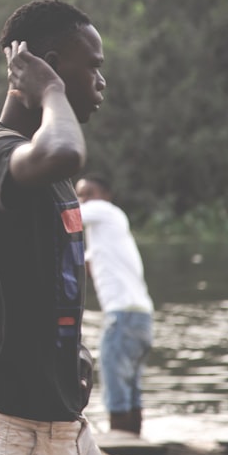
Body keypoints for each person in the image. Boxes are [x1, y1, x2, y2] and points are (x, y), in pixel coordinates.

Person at [0, 0, 127, 455]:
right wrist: (51, 90)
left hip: (62, 424)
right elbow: (65, 153)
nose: (101, 83)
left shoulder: (43, 167)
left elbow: (46, 271)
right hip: (11, 424)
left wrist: (71, 349)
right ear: (49, 62)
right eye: (93, 67)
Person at [75, 175, 154, 435]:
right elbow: (81, 266)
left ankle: (123, 451)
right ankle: (135, 444)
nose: (82, 199)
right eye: (79, 194)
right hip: (140, 317)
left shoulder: (105, 211)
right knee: (131, 391)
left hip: (124, 316)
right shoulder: (108, 235)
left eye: (88, 193)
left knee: (116, 392)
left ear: (106, 195)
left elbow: (66, 215)